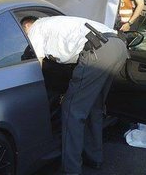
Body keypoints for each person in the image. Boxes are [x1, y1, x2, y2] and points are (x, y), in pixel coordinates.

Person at [20, 15, 128, 175]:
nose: (25, 39)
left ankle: (70, 169)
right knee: (93, 107)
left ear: (27, 26)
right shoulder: (54, 22)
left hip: (96, 51)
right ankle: (94, 158)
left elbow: (37, 63)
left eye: (24, 34)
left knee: (72, 111)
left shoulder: (36, 29)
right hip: (117, 46)